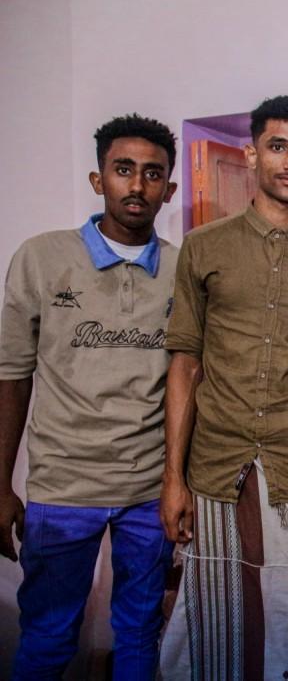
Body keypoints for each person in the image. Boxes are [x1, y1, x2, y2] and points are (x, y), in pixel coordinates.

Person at [159, 95, 288, 680]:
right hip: (215, 467)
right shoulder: (205, 247)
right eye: (278, 147)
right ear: (251, 155)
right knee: (212, 626)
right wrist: (172, 478)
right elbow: (184, 365)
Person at [0, 114, 178, 680]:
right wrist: (0, 485)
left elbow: (190, 380)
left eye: (153, 174)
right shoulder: (42, 258)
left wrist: (180, 483)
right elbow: (11, 375)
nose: (138, 185)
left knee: (140, 634)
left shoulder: (181, 269)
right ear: (98, 180)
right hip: (63, 487)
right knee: (48, 637)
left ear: (170, 189)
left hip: (148, 491)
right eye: (123, 170)